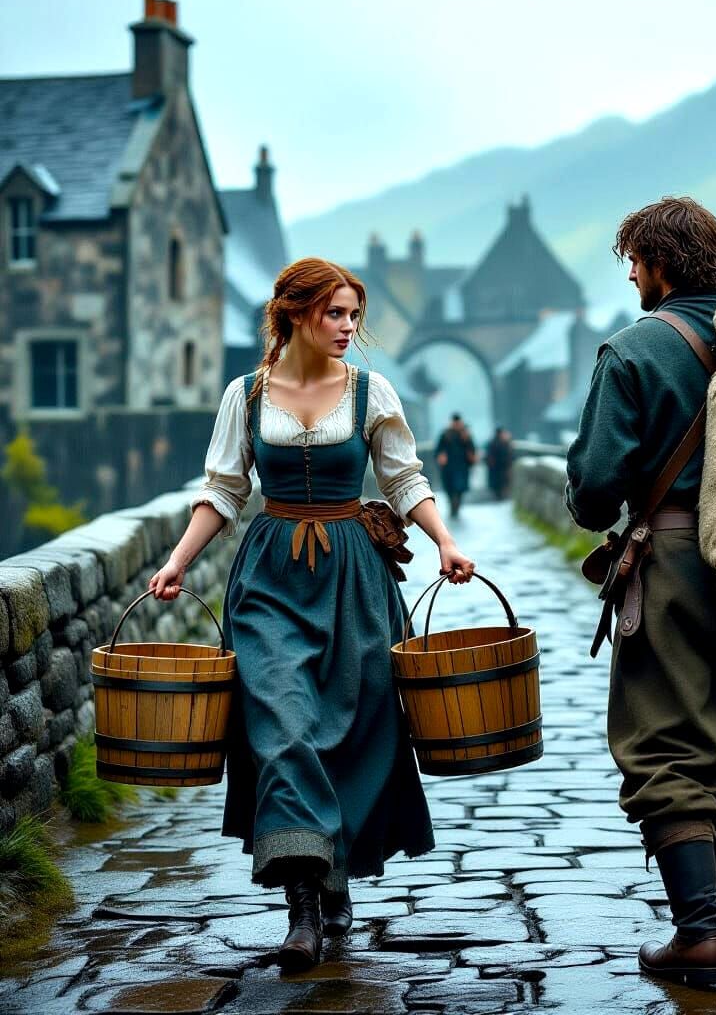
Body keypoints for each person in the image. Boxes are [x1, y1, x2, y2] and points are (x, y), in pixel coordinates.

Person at [149, 258, 475, 973]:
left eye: (355, 315)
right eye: (336, 314)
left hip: (355, 575)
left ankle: (334, 882)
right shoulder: (246, 394)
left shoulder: (371, 391)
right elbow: (223, 488)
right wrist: (177, 559)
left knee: (353, 729)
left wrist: (444, 540)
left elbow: (403, 476)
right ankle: (302, 906)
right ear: (295, 313)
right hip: (269, 574)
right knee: (282, 721)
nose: (349, 328)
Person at [564, 198, 716, 989]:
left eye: (633, 257)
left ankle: (698, 934)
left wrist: (590, 493)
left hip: (676, 564)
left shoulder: (634, 352)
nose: (630, 271)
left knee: (667, 743)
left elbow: (597, 491)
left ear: (661, 262)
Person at [435, 414, 476, 517]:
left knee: (460, 488)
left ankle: (456, 505)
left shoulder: (465, 434)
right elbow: (438, 450)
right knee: (450, 488)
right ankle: (453, 505)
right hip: (448, 467)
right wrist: (441, 456)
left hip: (462, 467)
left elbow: (472, 449)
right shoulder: (445, 435)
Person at [485, 427, 514, 499]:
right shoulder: (503, 443)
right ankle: (501, 497)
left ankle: (499, 496)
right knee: (502, 484)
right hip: (501, 468)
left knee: (498, 485)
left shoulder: (492, 442)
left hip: (496, 468)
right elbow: (508, 455)